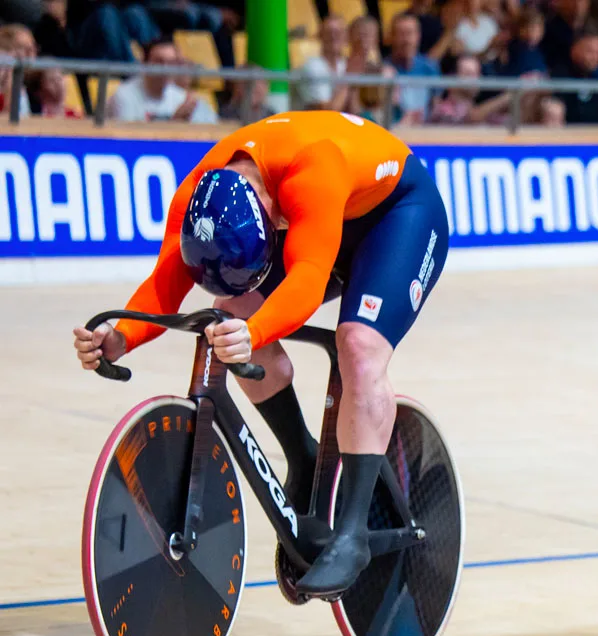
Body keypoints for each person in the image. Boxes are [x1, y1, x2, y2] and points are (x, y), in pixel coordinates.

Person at [71, 110, 451, 598]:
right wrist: (120, 337)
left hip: (397, 216)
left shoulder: (314, 170)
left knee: (358, 344)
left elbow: (308, 281)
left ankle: (352, 534)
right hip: (318, 219)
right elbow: (165, 287)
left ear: (271, 217)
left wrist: (257, 331)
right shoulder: (196, 195)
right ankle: (302, 453)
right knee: (229, 310)